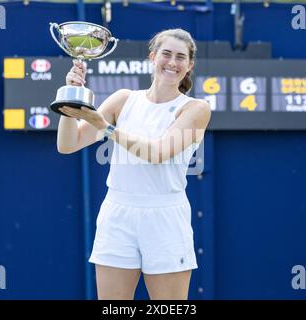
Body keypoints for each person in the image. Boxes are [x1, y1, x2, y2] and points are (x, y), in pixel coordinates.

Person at [56, 28, 211, 300]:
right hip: (117, 214)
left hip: (166, 217)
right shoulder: (124, 99)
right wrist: (71, 99)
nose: (172, 62)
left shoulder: (196, 109)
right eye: (166, 54)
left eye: (180, 57)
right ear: (152, 57)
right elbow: (68, 144)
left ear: (189, 65)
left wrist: (104, 127)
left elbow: (158, 153)